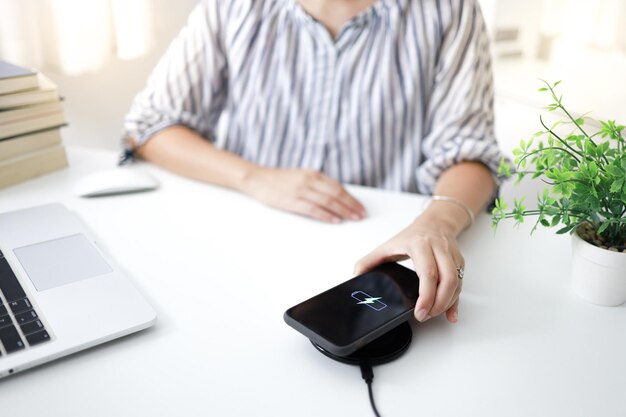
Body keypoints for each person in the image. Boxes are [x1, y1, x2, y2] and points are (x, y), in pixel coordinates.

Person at [122, 0, 503, 325]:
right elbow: (149, 126)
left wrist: (437, 223)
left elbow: (471, 151)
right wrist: (254, 177)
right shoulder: (233, 6)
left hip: (383, 257)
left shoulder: (447, 9)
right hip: (243, 255)